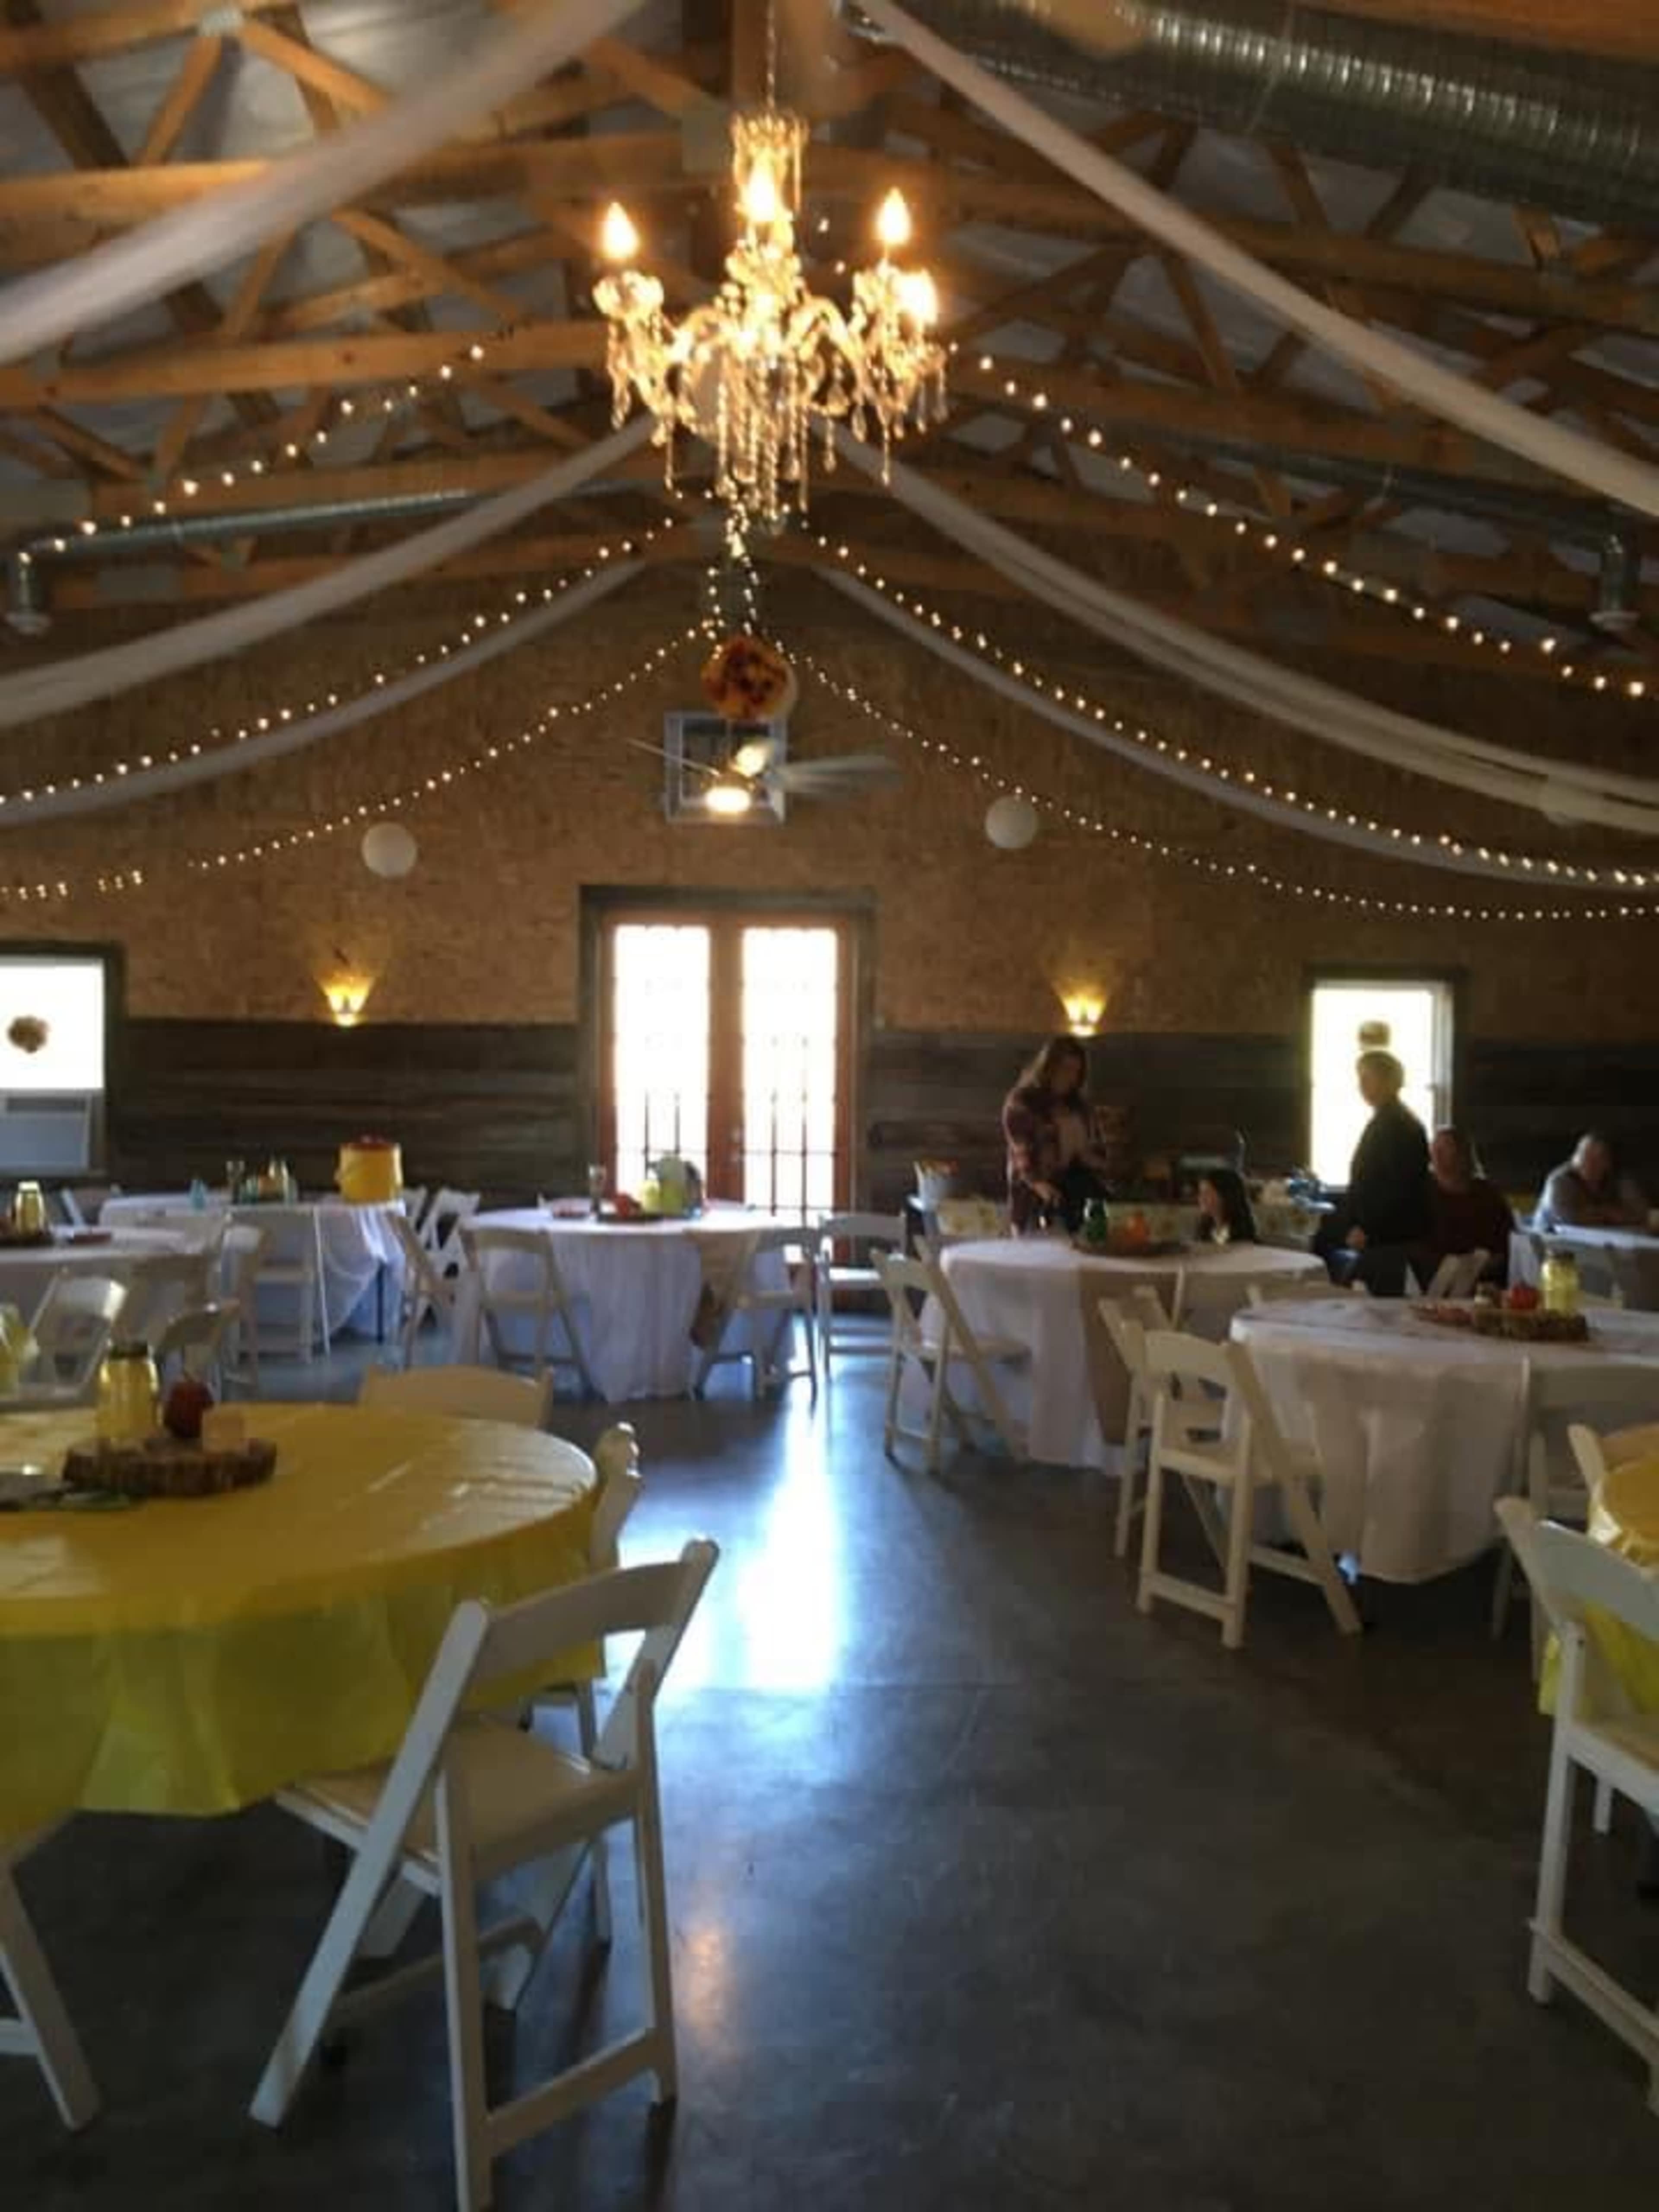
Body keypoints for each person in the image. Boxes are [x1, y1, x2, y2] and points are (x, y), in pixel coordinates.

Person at [1315, 1049, 1430, 1295]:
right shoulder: (1387, 1120)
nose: (1362, 1086)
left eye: (1368, 1078)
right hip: (1376, 1230)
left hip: (1387, 1238)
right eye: (1360, 1079)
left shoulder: (1399, 1126)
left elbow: (1399, 1189)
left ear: (1389, 1081)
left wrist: (1368, 1229)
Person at [1002, 1036, 1112, 1233]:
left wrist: (1094, 1161)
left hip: (1076, 1190)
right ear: (1049, 1067)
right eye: (1065, 1069)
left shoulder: (1079, 1107)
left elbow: (1096, 1146)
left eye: (1076, 1072)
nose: (1070, 1077)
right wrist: (1038, 1184)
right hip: (1037, 1196)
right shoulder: (1024, 1103)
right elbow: (1021, 1152)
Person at [1424, 1126, 1513, 1283]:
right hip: (1431, 1282)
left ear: (1463, 1155)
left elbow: (1506, 1248)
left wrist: (1482, 1267)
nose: (1436, 1155)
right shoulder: (1421, 1194)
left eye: (1444, 1149)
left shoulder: (1488, 1196)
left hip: (1483, 1283)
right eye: (1434, 1148)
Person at [1537, 1132, 1649, 1231]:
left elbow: (1640, 1213)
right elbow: (1566, 1217)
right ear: (1574, 1157)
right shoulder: (1560, 1180)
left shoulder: (1620, 1179)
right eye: (1584, 1155)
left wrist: (1593, 1214)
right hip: (1554, 1239)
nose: (1589, 1163)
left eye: (1599, 1158)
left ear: (1609, 1162)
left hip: (1605, 1240)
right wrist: (1607, 1213)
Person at [1195, 1167, 1257, 1247]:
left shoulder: (1242, 1234)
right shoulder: (1204, 1231)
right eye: (1201, 1193)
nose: (1201, 1198)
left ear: (1225, 1196)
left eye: (1207, 1193)